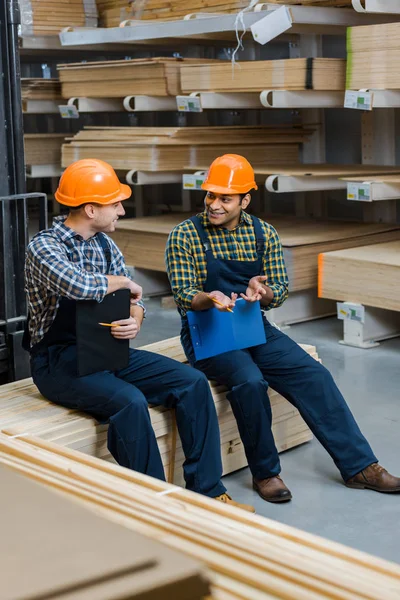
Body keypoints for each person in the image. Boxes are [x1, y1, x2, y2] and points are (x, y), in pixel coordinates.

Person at [165, 154, 400, 503]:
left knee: (314, 375)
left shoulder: (263, 234)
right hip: (206, 329)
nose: (214, 204)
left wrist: (263, 293)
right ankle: (266, 472)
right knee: (249, 380)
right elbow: (184, 294)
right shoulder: (184, 235)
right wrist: (209, 297)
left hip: (251, 325)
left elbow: (280, 289)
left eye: (224, 198)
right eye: (210, 195)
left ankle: (360, 466)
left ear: (245, 199)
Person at [24, 158, 255, 512]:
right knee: (128, 401)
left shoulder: (105, 245)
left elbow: (135, 300)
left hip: (106, 349)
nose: (121, 209)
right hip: (57, 361)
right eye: (114, 203)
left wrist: (136, 317)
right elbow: (77, 285)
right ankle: (156, 506)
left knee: (191, 382)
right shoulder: (44, 247)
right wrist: (124, 284)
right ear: (89, 208)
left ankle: (208, 492)